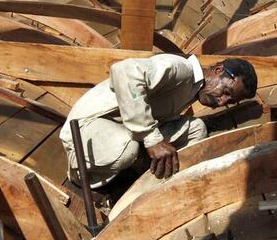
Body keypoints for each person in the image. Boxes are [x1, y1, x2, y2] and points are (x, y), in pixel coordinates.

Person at [59, 54, 258, 189]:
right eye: (226, 92)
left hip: (124, 129)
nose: (221, 102)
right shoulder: (181, 69)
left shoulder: (194, 88)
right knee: (126, 148)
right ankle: (80, 173)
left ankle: (149, 184)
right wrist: (151, 139)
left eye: (229, 102)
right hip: (89, 126)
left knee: (197, 129)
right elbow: (124, 70)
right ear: (218, 70)